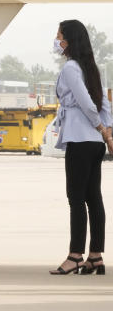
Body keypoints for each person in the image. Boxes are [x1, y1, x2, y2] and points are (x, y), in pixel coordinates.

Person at [49, 20, 113, 276]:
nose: (57, 41)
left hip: (80, 138)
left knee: (76, 198)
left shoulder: (71, 69)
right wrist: (107, 132)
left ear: (69, 40)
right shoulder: (90, 68)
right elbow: (104, 103)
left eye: (59, 36)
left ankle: (75, 255)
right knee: (93, 197)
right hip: (95, 143)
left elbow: (87, 102)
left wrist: (100, 128)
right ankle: (95, 256)